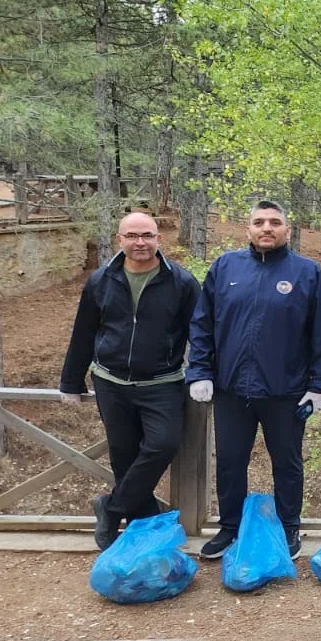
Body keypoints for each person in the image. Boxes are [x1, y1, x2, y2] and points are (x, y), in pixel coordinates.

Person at [187, 200, 321, 559]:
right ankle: (230, 528)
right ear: (248, 229)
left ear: (287, 229)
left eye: (274, 222)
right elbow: (202, 324)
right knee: (229, 461)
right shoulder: (225, 267)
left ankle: (288, 528)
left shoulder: (306, 272)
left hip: (285, 391)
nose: (266, 228)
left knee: (286, 463)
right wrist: (199, 371)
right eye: (259, 222)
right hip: (231, 389)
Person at [58, 212, 201, 550]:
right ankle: (140, 533)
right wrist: (71, 380)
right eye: (133, 235)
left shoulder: (181, 282)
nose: (141, 242)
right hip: (111, 382)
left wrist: (203, 372)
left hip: (162, 381)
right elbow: (84, 332)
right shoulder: (100, 280)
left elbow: (200, 334)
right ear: (119, 239)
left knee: (163, 444)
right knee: (123, 457)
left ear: (158, 240)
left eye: (147, 235)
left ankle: (111, 508)